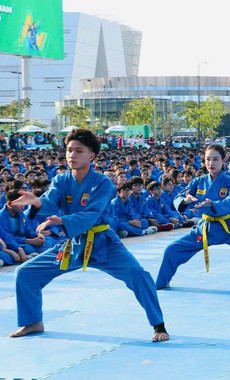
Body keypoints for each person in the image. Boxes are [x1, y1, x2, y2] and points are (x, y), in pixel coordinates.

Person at [7, 129, 168, 342]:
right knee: (26, 273)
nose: (72, 155)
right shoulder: (61, 180)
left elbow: (91, 214)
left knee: (138, 275)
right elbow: (49, 201)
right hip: (74, 244)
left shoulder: (102, 182)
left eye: (78, 151)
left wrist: (62, 221)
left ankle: (159, 325)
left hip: (103, 243)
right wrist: (36, 202)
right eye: (69, 150)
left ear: (91, 156)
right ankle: (33, 322)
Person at [155, 144, 230, 291]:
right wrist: (185, 200)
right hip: (205, 228)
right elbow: (180, 197)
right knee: (172, 249)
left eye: (215, 159)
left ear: (223, 161)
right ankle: (162, 281)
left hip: (228, 227)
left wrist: (213, 203)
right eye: (207, 159)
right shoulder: (198, 181)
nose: (211, 163)